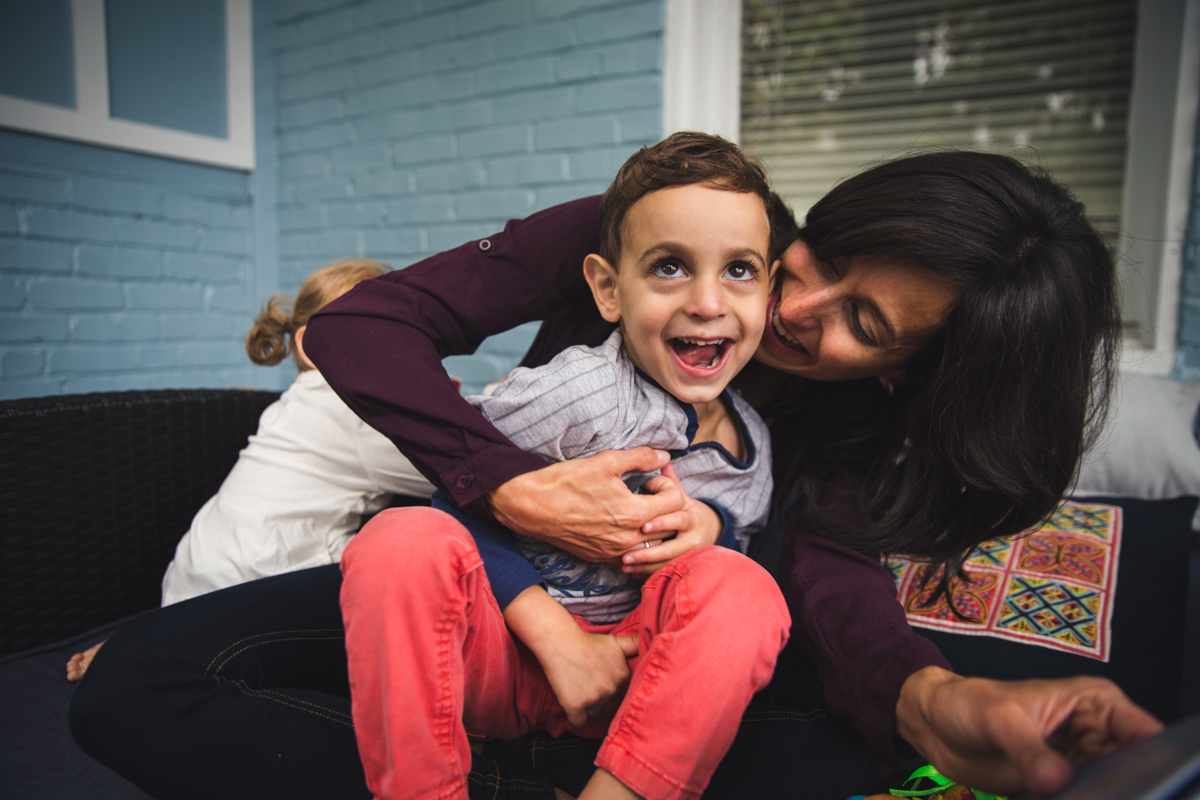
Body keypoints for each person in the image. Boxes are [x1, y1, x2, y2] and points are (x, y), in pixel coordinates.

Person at [69, 147, 1159, 800]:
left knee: (841, 741)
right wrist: (502, 481)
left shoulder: (837, 429)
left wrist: (929, 696)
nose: (781, 306)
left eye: (860, 322)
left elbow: (828, 574)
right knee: (138, 684)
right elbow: (367, 325)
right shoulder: (643, 233)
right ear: (612, 276)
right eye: (815, 253)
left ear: (907, 374)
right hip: (493, 603)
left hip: (654, 653)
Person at [339, 133, 788, 800]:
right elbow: (460, 501)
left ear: (770, 291)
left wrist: (711, 530)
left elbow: (732, 565)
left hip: (638, 682)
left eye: (739, 271)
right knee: (401, 539)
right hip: (504, 656)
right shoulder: (577, 392)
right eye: (669, 267)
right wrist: (556, 638)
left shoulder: (753, 441)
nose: (708, 302)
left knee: (744, 586)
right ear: (608, 290)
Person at [66, 259, 434, 681]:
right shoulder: (355, 411)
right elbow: (453, 469)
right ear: (311, 346)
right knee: (400, 566)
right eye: (375, 329)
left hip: (195, 577)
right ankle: (150, 656)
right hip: (258, 585)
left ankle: (149, 643)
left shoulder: (299, 401)